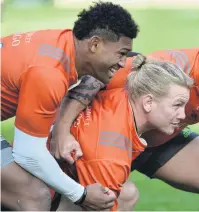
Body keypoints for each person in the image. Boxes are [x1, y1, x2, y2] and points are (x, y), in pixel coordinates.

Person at [51, 7, 199, 211]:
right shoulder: (165, 68)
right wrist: (62, 131)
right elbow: (92, 78)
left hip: (158, 137)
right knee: (119, 196)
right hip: (110, 136)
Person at [0, 1, 139, 210]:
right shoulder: (50, 72)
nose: (122, 63)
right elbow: (27, 152)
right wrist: (80, 194)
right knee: (32, 194)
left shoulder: (62, 43)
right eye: (121, 53)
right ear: (94, 44)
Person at [51, 54, 193, 211]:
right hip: (37, 187)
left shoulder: (123, 94)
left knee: (127, 193)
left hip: (49, 173)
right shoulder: (110, 155)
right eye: (177, 105)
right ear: (148, 103)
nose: (183, 115)